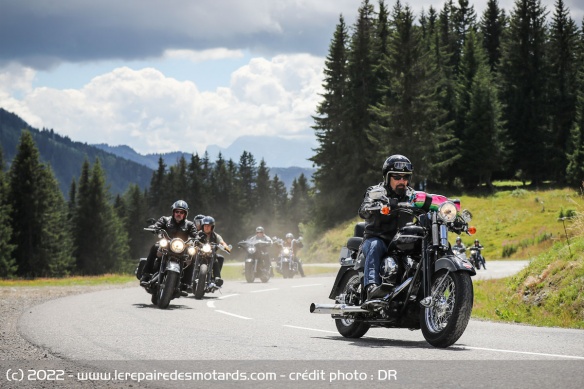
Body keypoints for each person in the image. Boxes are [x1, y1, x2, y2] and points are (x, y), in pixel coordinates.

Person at [359, 155, 415, 302]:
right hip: (379, 238)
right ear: (387, 177)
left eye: (405, 177)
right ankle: (371, 287)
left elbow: (427, 204)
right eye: (397, 177)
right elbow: (363, 209)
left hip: (403, 241)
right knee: (375, 245)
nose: (402, 181)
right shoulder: (376, 191)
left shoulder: (412, 196)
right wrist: (373, 206)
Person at [140, 200, 199, 288]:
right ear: (173, 212)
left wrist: (198, 238)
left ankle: (186, 283)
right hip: (166, 245)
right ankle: (146, 274)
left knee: (193, 254)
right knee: (155, 247)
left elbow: (195, 234)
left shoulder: (189, 224)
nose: (179, 214)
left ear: (185, 214)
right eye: (177, 212)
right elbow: (157, 225)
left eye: (181, 212)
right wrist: (154, 228)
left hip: (182, 248)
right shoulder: (165, 220)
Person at [197, 216, 231, 286]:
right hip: (198, 253)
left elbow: (222, 242)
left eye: (209, 226)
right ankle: (185, 278)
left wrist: (226, 247)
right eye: (205, 226)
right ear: (202, 226)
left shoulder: (215, 236)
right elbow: (191, 239)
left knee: (218, 258)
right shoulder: (198, 234)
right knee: (189, 258)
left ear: (212, 227)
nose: (206, 227)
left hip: (210, 254)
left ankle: (216, 277)